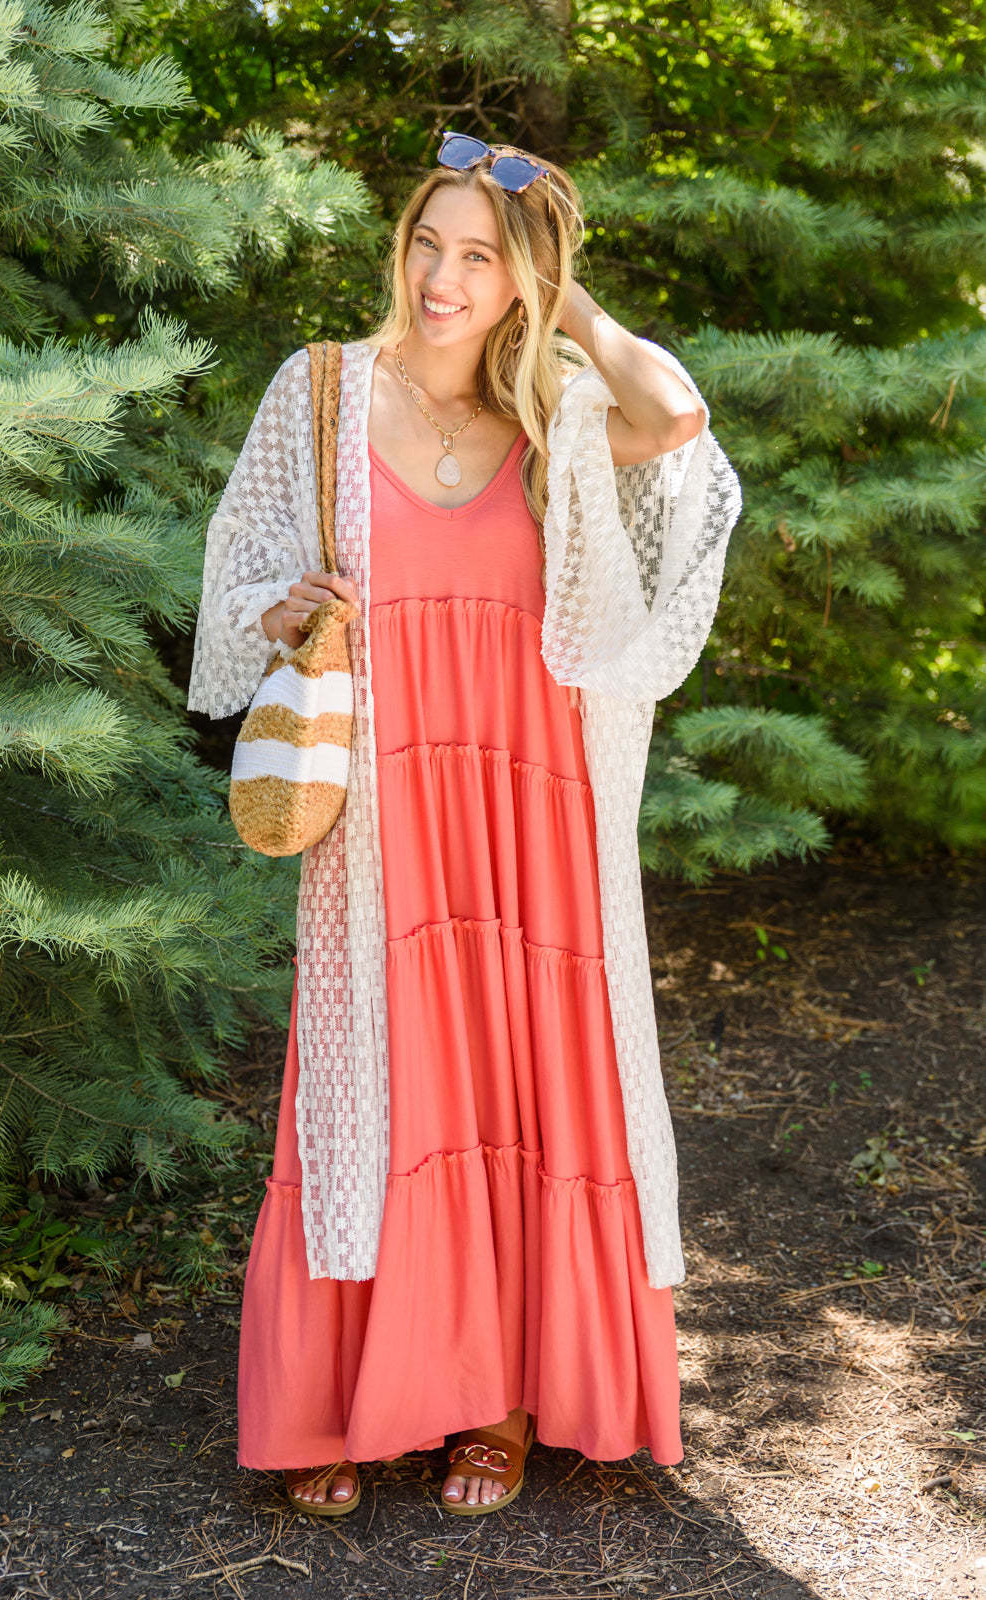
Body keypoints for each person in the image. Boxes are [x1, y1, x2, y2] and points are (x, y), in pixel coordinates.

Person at [188, 132, 741, 1517]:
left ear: (522, 281)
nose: (442, 277)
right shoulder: (322, 392)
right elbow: (237, 576)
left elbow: (677, 420)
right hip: (386, 815)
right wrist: (283, 608)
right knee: (375, 1082)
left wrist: (570, 299)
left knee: (515, 1085)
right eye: (428, 244)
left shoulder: (552, 413)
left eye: (479, 257)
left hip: (531, 811)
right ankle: (334, 1399)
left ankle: (496, 1405)